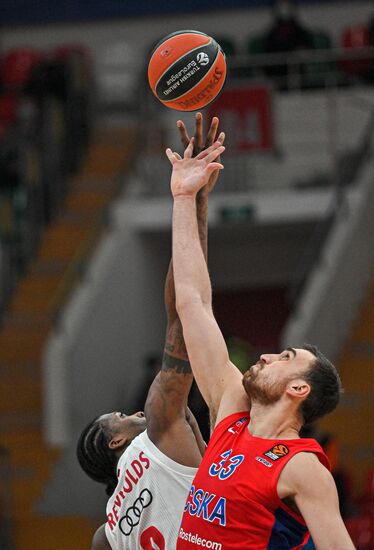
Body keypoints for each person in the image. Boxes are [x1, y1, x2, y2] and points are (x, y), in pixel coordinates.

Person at [167, 130, 355, 548]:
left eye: (285, 357)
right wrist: (183, 199)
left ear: (299, 388)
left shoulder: (303, 467)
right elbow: (193, 304)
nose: (268, 355)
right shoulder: (231, 411)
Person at [76, 114, 225, 550]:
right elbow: (186, 312)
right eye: (121, 417)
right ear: (118, 440)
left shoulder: (105, 535)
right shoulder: (158, 429)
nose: (133, 413)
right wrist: (193, 201)